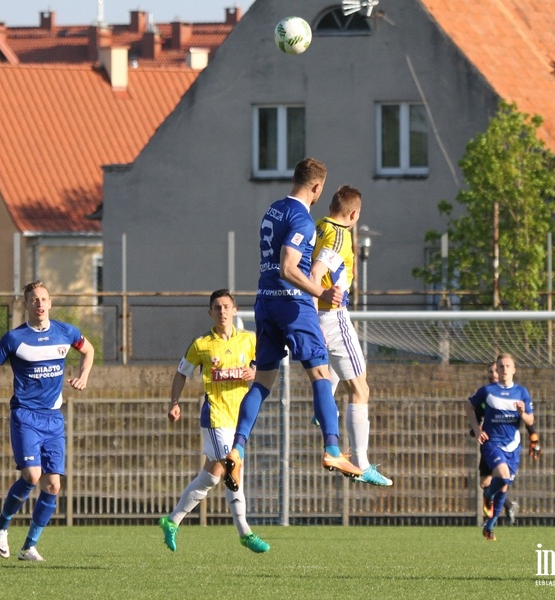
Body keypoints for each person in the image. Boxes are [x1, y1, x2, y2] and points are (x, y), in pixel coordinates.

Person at [222, 157, 362, 494]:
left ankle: (237, 449)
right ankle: (331, 449)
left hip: (264, 302)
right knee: (321, 375)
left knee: (262, 383)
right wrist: (322, 292)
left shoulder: (273, 210)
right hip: (291, 304)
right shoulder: (303, 219)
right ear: (316, 187)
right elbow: (288, 267)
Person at [0, 280, 95, 562]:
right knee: (31, 475)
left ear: (50, 303)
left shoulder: (66, 332)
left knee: (53, 485)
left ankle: (29, 546)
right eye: (34, 300)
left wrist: (83, 376)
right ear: (25, 305)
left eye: (44, 299)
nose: (40, 304)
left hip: (53, 418)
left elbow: (88, 350)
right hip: (25, 415)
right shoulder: (14, 339)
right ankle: (1, 527)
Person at [160, 289, 269, 553]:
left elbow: (266, 365)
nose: (222, 311)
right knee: (233, 467)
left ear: (235, 310)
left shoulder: (250, 340)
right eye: (217, 307)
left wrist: (253, 371)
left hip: (240, 419)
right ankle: (245, 532)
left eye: (226, 307)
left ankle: (171, 521)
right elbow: (181, 372)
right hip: (215, 416)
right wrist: (174, 403)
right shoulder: (202, 344)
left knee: (212, 476)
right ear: (210, 312)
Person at [308, 185, 391, 486]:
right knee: (360, 389)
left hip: (316, 314)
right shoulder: (340, 235)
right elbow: (316, 273)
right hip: (331, 314)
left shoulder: (318, 226)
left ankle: (324, 408)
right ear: (354, 214)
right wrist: (318, 309)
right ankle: (361, 461)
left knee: (332, 373)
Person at [466, 353, 533, 541]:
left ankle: (490, 526)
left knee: (503, 487)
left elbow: (530, 420)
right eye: (500, 366)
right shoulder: (487, 391)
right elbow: (469, 407)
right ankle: (488, 494)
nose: (503, 370)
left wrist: (522, 414)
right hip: (492, 443)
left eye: (507, 366)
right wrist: (476, 429)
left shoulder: (522, 392)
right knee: (501, 478)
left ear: (514, 369)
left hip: (513, 446)